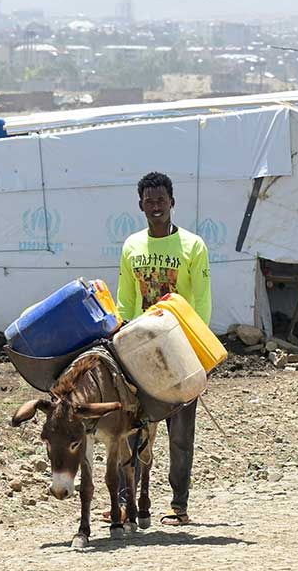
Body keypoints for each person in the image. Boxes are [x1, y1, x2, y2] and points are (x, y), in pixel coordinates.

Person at [116, 172, 211, 527]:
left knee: (180, 434)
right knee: (136, 429)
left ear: (172, 202)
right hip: (142, 351)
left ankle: (178, 505)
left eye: (161, 199)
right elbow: (126, 300)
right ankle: (130, 502)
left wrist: (200, 351)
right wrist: (120, 340)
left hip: (181, 348)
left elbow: (201, 302)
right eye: (149, 200)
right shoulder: (131, 246)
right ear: (140, 205)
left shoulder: (193, 246)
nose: (155, 206)